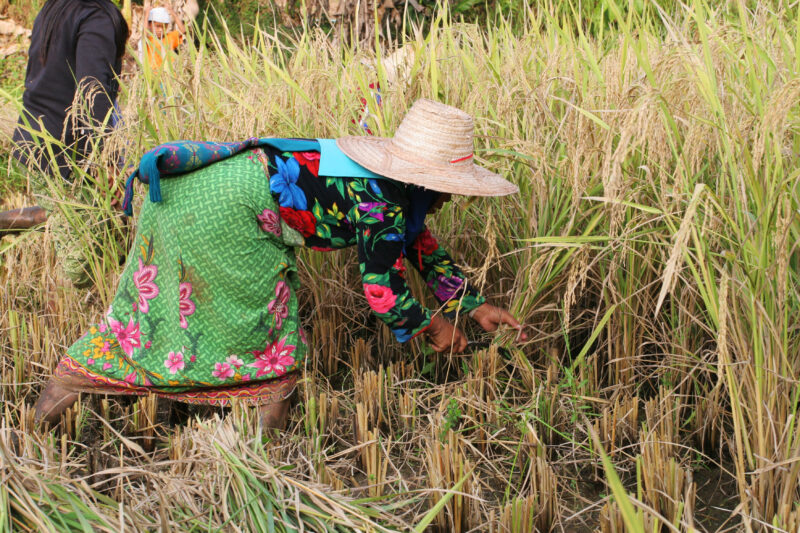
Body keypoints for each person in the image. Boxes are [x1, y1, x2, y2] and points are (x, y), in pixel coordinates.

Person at [33, 99, 527, 429]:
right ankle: (262, 467)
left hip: (188, 195)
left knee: (145, 321)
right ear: (425, 181)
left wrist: (473, 305)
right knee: (274, 347)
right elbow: (382, 289)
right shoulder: (383, 199)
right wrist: (435, 326)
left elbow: (416, 245)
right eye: (448, 189)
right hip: (228, 213)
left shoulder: (385, 182)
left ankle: (50, 410)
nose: (448, 199)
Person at [4, 0, 128, 287]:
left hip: (36, 141)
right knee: (83, 265)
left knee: (87, 227)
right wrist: (105, 162)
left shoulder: (57, 7)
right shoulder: (95, 16)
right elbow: (92, 92)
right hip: (67, 150)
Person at [138, 3, 185, 71]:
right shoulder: (148, 40)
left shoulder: (170, 37)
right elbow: (144, 35)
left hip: (169, 77)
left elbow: (183, 31)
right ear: (149, 25)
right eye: (157, 26)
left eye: (164, 27)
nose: (160, 30)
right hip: (154, 77)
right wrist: (146, 16)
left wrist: (173, 13)